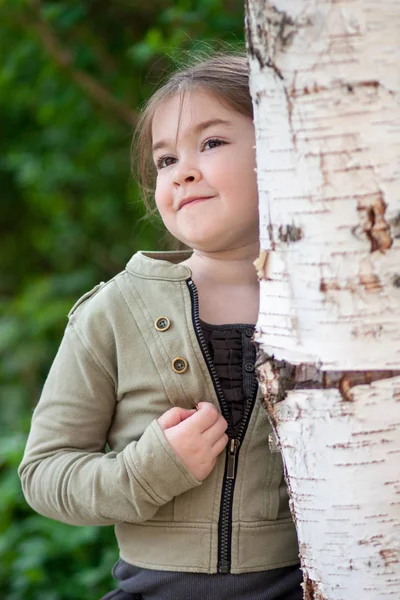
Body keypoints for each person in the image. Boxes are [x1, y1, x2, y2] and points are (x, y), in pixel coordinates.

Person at [19, 53, 302, 600]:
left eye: (212, 143)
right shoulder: (114, 312)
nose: (183, 171)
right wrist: (148, 471)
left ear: (283, 148)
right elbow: (44, 475)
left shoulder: (332, 309)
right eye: (166, 159)